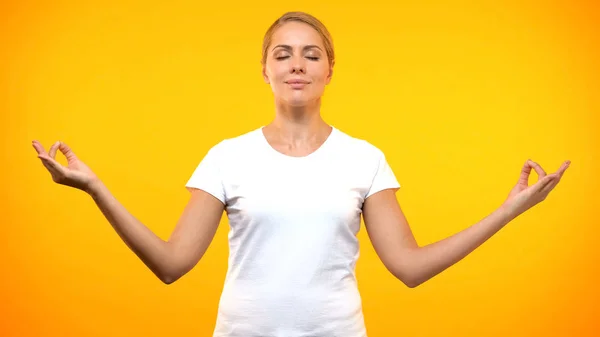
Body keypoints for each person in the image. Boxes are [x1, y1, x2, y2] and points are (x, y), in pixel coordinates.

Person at [32, 11, 570, 337]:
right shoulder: (227, 156)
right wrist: (94, 187)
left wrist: (509, 211)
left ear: (329, 70)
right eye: (283, 54)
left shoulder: (365, 158)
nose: (297, 64)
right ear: (264, 69)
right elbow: (171, 264)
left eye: (311, 55)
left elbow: (409, 267)